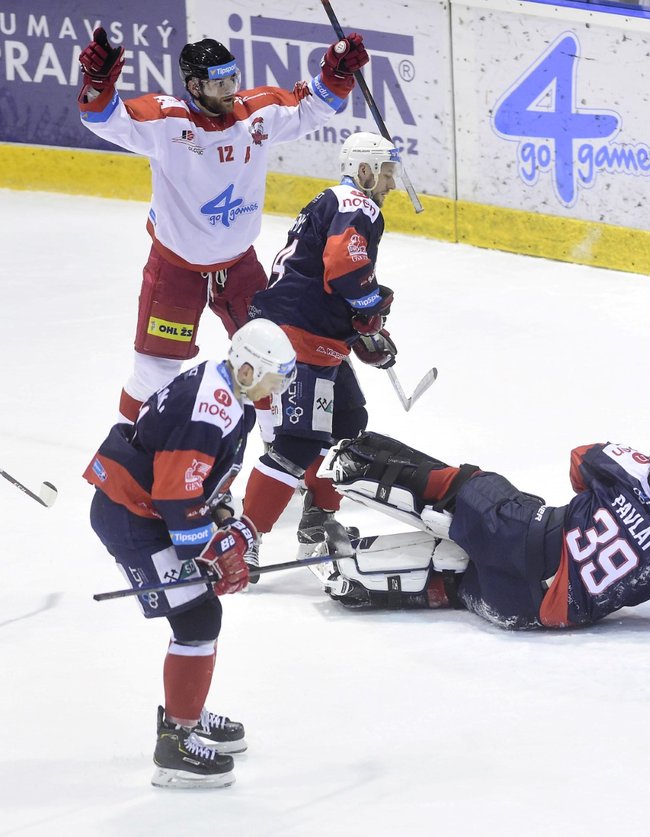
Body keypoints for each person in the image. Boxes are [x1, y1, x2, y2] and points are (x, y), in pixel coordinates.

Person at [76, 26, 370, 425]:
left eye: (233, 79)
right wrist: (97, 84)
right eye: (219, 84)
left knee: (271, 364)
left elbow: (311, 108)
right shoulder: (168, 122)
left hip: (239, 268)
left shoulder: (256, 114)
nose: (231, 90)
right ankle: (126, 454)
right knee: (155, 374)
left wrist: (336, 73)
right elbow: (108, 120)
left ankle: (280, 462)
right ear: (194, 86)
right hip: (176, 270)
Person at [84, 319, 297, 788]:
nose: (276, 389)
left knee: (200, 615)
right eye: (272, 378)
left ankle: (188, 712)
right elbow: (176, 495)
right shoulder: (212, 407)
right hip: (132, 517)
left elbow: (197, 484)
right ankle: (176, 742)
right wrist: (214, 553)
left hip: (145, 510)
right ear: (245, 369)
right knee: (199, 619)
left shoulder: (227, 392)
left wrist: (223, 526)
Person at [312, 433, 650, 630]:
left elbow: (579, 460)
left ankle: (358, 461)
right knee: (458, 577)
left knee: (471, 484)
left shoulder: (630, 473)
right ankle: (355, 580)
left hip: (517, 534)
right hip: (528, 611)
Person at [238, 132, 401, 579]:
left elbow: (328, 280)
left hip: (309, 337)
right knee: (297, 442)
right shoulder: (357, 203)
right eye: (386, 173)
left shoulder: (334, 201)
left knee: (348, 423)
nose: (391, 184)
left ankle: (317, 519)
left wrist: (361, 333)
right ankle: (242, 536)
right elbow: (344, 266)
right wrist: (369, 312)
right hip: (295, 339)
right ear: (365, 170)